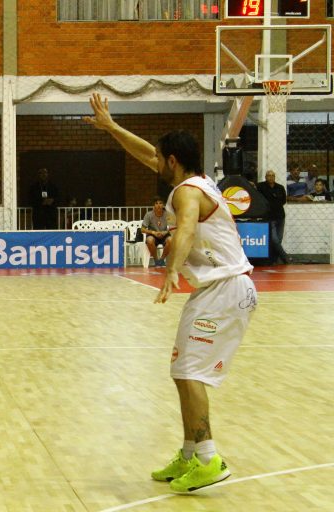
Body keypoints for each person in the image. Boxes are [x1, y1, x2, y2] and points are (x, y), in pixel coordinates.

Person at [86, 93, 257, 493]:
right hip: (217, 289)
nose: (155, 162)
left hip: (225, 288)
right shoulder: (196, 181)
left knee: (190, 373)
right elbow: (145, 152)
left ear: (173, 161)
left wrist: (172, 270)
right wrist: (111, 127)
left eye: (161, 158)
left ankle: (209, 460)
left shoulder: (186, 193)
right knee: (182, 371)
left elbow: (188, 228)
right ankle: (190, 453)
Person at [257, 170, 291, 264]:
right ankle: (285, 257)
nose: (271, 177)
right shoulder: (261, 186)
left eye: (272, 175)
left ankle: (274, 260)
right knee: (274, 240)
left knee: (279, 239)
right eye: (269, 175)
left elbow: (283, 200)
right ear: (265, 177)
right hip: (269, 217)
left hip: (280, 216)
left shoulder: (280, 187)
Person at [141, 196, 172, 266]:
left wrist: (165, 232)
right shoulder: (148, 214)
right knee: (149, 240)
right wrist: (153, 232)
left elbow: (173, 227)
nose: (158, 205)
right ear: (154, 205)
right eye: (156, 203)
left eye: (160, 203)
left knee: (171, 240)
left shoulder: (168, 214)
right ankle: (156, 260)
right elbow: (142, 229)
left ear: (163, 205)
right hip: (153, 235)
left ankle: (162, 259)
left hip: (165, 235)